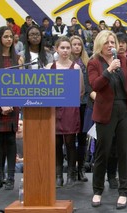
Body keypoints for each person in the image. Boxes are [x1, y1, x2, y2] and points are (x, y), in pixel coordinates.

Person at [87, 30, 127, 209]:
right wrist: (108, 70)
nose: (110, 45)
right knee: (103, 152)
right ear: (100, 44)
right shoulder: (93, 62)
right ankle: (97, 190)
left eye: (112, 42)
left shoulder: (121, 59)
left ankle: (123, 192)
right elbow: (95, 85)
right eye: (106, 42)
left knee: (125, 151)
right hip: (105, 112)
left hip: (124, 110)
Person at [0, 26, 24, 190]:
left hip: (12, 101)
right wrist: (2, 103)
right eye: (6, 36)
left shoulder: (19, 59)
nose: (9, 39)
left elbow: (21, 83)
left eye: (11, 36)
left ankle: (10, 178)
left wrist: (11, 103)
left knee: (10, 139)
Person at [45, 36, 84, 187]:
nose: (65, 51)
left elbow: (80, 91)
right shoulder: (49, 67)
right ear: (56, 49)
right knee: (56, 142)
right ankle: (58, 175)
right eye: (62, 48)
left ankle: (71, 174)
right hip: (54, 109)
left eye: (68, 48)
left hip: (70, 109)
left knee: (69, 141)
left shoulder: (76, 67)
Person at [70, 35, 90, 182]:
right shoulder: (65, 63)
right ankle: (71, 169)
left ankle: (81, 169)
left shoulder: (87, 62)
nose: (77, 47)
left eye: (79, 44)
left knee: (82, 137)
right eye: (74, 44)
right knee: (70, 137)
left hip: (84, 103)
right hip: (69, 104)